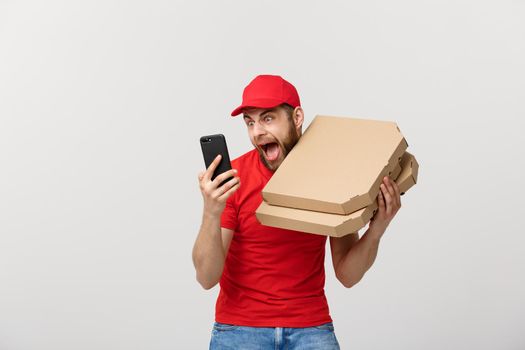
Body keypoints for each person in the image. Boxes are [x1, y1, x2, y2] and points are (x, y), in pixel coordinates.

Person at [192, 75, 402, 349]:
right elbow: (206, 278)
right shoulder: (235, 179)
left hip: (310, 327)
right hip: (239, 329)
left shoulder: (331, 179)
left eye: (268, 119)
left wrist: (378, 228)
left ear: (297, 117)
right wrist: (211, 211)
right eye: (250, 122)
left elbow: (348, 275)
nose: (257, 132)